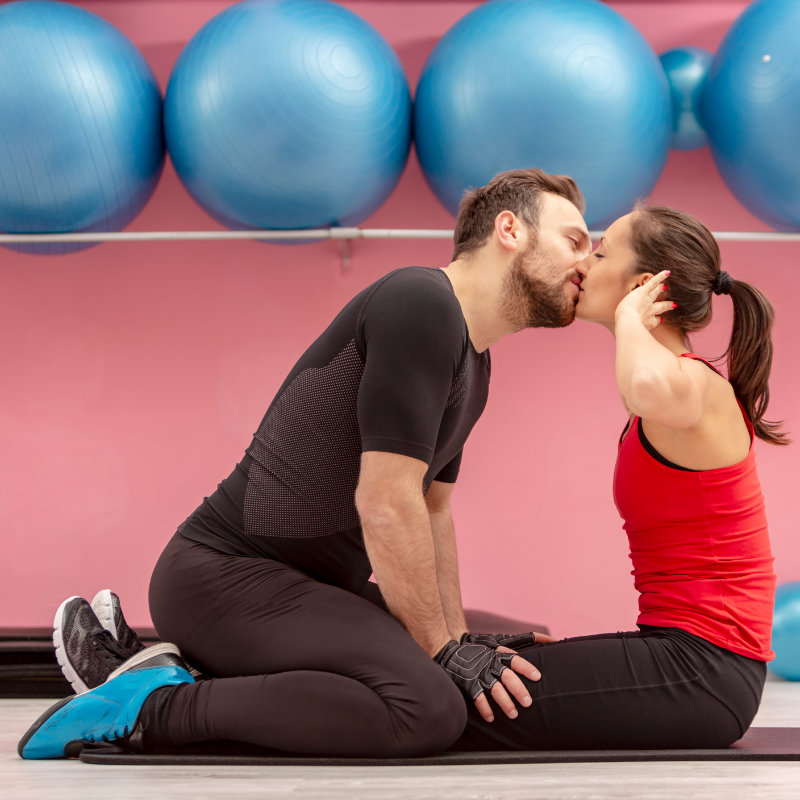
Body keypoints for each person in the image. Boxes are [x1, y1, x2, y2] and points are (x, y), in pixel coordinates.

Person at [19, 168, 594, 760]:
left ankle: (158, 671)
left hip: (301, 589)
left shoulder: (476, 362)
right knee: (426, 708)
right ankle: (147, 707)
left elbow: (432, 508)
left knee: (461, 662)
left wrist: (457, 641)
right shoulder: (421, 304)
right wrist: (442, 654)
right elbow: (386, 501)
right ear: (509, 230)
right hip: (225, 579)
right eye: (575, 241)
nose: (588, 263)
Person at [451, 204, 783, 751]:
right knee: (480, 667)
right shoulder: (675, 386)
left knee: (459, 700)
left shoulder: (690, 386)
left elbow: (643, 386)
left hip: (707, 669)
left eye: (600, 252)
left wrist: (631, 318)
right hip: (687, 659)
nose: (584, 261)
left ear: (643, 285)